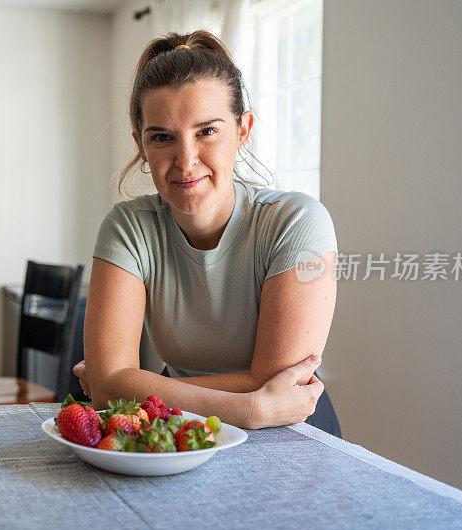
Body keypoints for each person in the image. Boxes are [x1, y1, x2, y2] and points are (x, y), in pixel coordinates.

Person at [73, 30, 341, 436]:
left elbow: (113, 388)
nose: (185, 161)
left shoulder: (297, 222)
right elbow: (111, 386)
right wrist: (249, 406)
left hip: (287, 431)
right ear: (141, 146)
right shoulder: (128, 227)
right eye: (162, 137)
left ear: (243, 130)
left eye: (207, 131)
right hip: (175, 433)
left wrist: (128, 387)